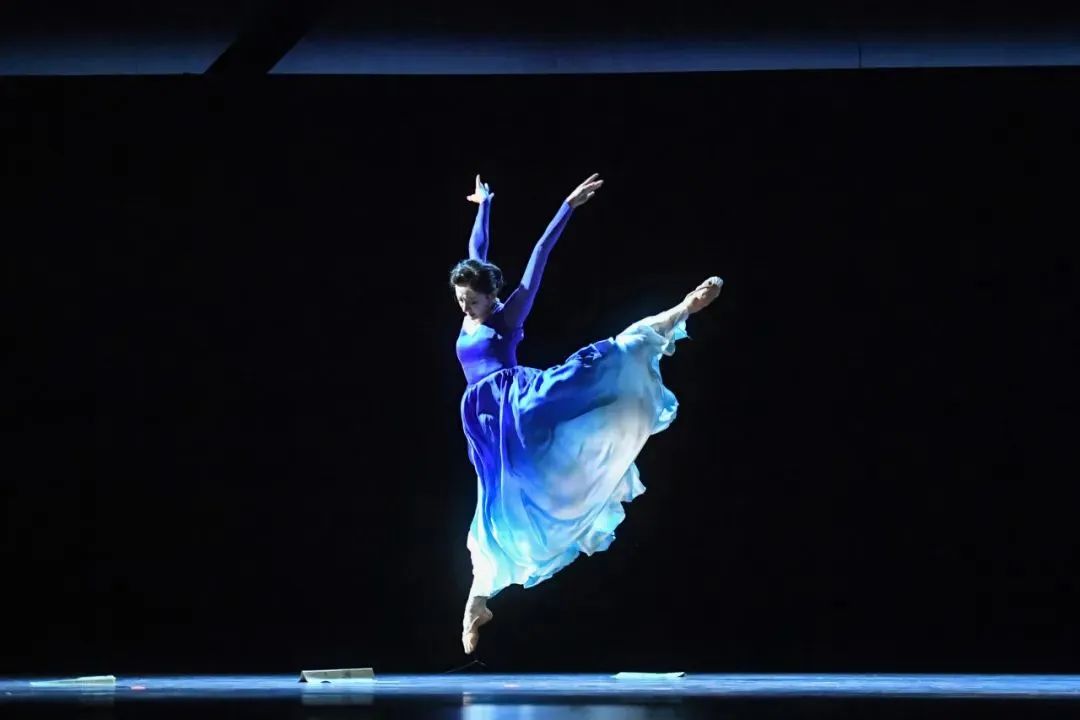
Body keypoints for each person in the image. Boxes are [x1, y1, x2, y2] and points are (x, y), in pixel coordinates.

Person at [451, 173, 722, 653]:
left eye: (473, 300)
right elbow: (478, 250)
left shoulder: (507, 316)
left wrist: (567, 207)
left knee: (602, 364)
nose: (466, 307)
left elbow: (539, 256)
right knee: (496, 508)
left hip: (518, 404)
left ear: (492, 297)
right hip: (486, 426)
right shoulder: (473, 304)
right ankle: (478, 601)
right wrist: (485, 205)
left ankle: (678, 311)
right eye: (460, 300)